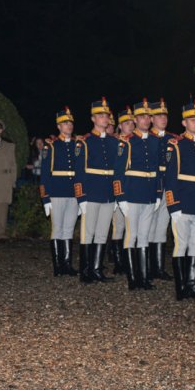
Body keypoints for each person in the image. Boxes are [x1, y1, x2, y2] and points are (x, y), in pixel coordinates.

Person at [164, 100, 195, 300]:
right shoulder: (176, 145)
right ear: (184, 123)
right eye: (192, 120)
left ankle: (192, 286)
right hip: (183, 202)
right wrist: (173, 205)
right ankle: (181, 288)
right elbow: (170, 177)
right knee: (181, 245)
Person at [115, 99, 162, 290]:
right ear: (135, 119)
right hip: (132, 194)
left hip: (149, 194)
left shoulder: (154, 141)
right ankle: (132, 278)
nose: (145, 120)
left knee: (144, 236)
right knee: (131, 235)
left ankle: (144, 277)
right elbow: (118, 172)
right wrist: (121, 197)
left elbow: (158, 170)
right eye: (142, 117)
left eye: (148, 117)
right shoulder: (126, 142)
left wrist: (158, 193)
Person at [74, 98, 123, 284]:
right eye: (101, 116)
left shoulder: (113, 142)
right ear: (93, 118)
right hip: (91, 192)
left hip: (108, 193)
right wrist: (81, 196)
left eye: (106, 116)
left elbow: (117, 170)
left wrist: (118, 194)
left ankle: (96, 269)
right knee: (88, 232)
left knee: (102, 232)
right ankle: (85, 271)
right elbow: (79, 172)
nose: (105, 119)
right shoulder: (84, 142)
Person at [40, 107, 79, 276]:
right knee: (57, 229)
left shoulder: (78, 145)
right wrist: (45, 198)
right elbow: (45, 173)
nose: (68, 125)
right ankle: (57, 266)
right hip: (56, 192)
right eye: (65, 123)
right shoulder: (51, 146)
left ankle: (67, 264)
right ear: (58, 126)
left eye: (70, 122)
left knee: (69, 229)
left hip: (73, 193)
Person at [147, 98, 178, 280]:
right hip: (151, 187)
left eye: (165, 115)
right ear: (151, 118)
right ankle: (148, 267)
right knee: (148, 227)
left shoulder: (172, 139)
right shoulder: (147, 138)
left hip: (168, 186)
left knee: (161, 227)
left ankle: (158, 267)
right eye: (159, 116)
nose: (163, 119)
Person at [107, 106, 135, 274]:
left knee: (130, 226)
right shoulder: (114, 142)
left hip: (133, 190)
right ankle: (118, 262)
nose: (130, 125)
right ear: (120, 125)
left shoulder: (137, 141)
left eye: (132, 122)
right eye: (126, 123)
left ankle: (127, 259)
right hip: (117, 189)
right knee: (118, 225)